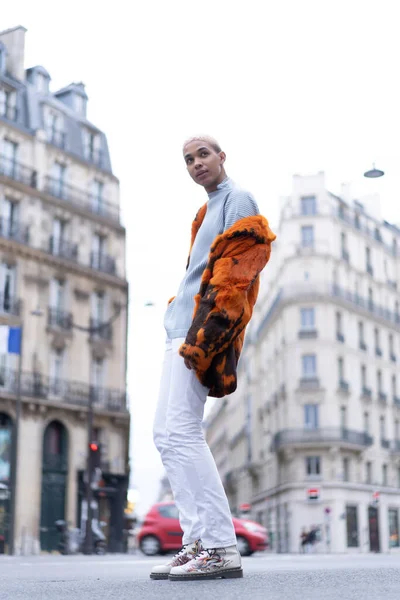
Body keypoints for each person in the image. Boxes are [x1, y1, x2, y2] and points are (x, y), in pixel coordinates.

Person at [151, 136, 276, 581]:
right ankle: (196, 541)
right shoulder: (203, 212)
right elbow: (197, 270)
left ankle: (222, 546)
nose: (196, 163)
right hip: (178, 327)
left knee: (184, 432)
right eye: (188, 159)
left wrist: (210, 334)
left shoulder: (237, 198)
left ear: (222, 157)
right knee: (164, 434)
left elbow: (243, 265)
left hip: (200, 331)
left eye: (203, 154)